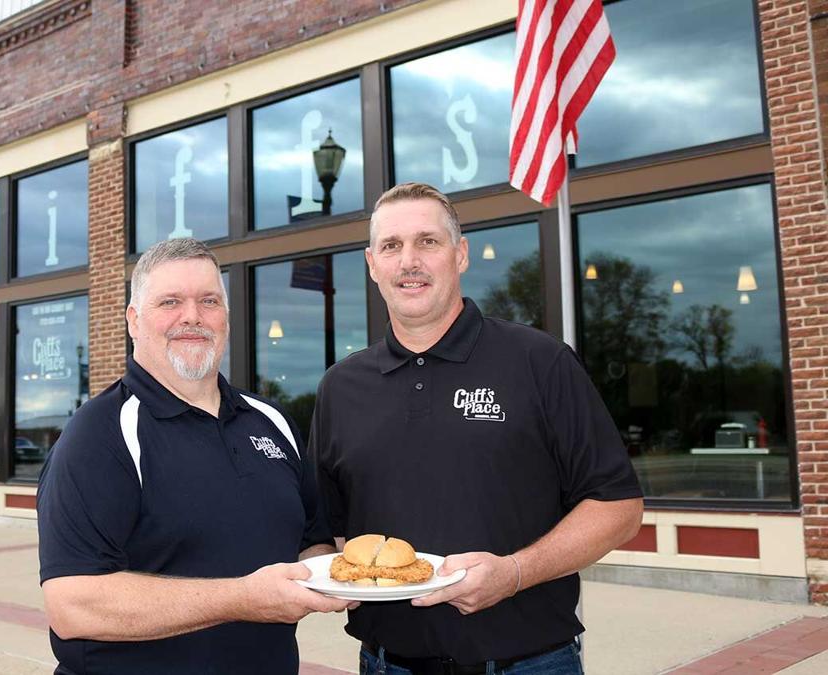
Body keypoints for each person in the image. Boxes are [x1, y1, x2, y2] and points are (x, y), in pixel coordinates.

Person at [310, 183, 644, 674]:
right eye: (391, 246)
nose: (409, 261)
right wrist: (335, 577)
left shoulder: (539, 361)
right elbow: (323, 528)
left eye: (428, 241)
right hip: (386, 664)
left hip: (529, 662)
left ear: (460, 254)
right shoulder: (340, 387)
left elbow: (619, 508)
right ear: (371, 263)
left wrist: (514, 572)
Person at [37, 237, 352, 675]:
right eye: (170, 302)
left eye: (209, 301)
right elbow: (72, 606)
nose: (192, 316)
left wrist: (334, 575)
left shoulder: (271, 420)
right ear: (134, 320)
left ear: (226, 316)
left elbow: (310, 541)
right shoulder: (99, 434)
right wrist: (243, 598)